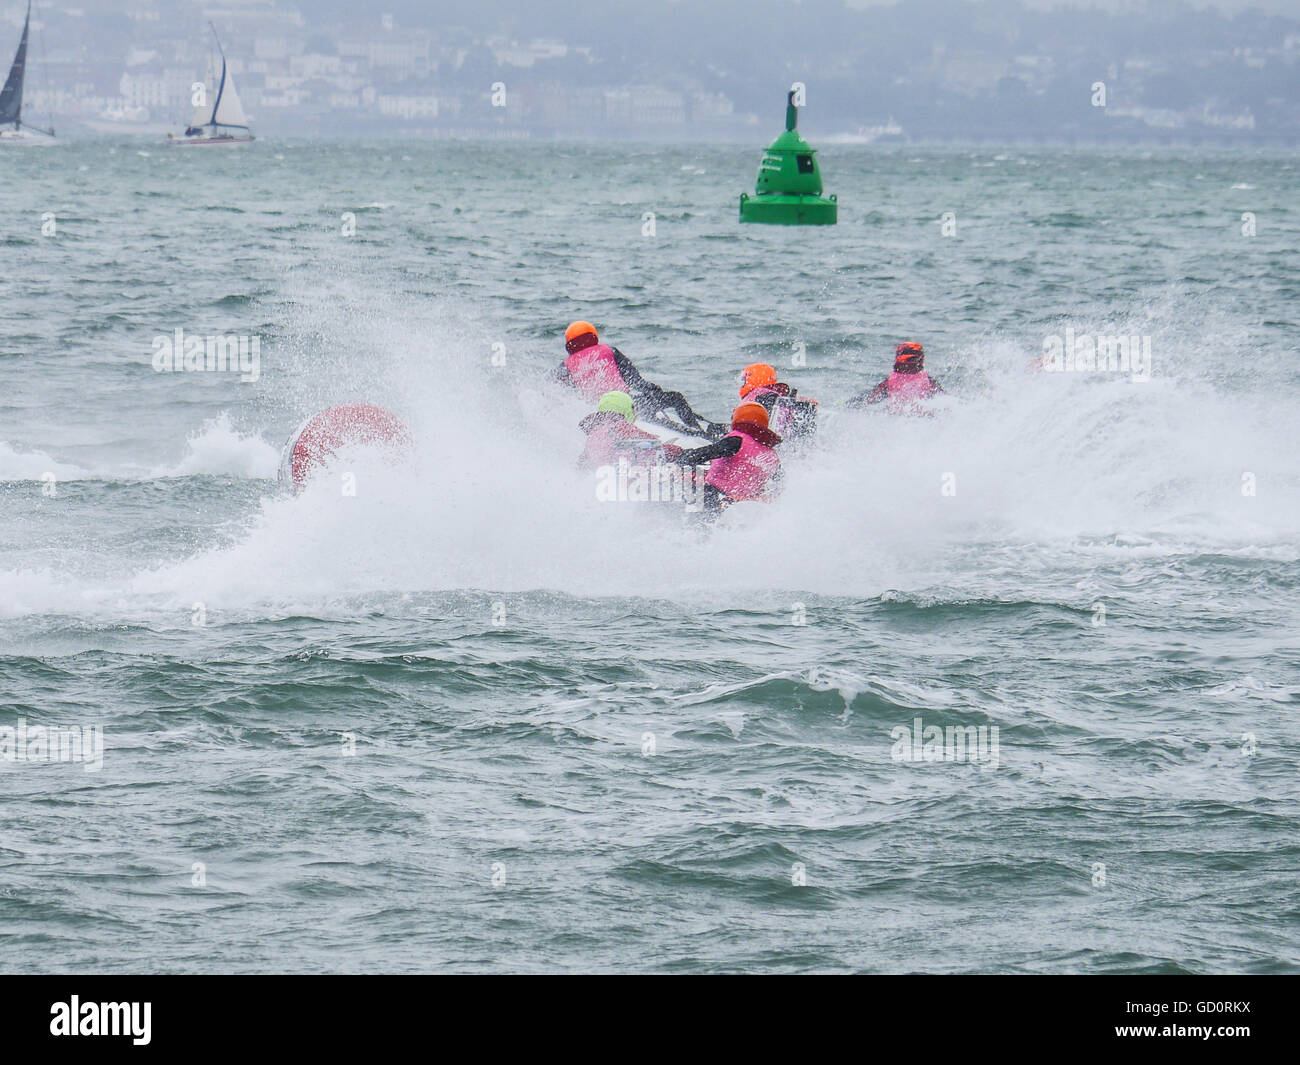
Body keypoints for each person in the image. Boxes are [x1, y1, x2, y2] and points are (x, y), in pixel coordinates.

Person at [557, 321, 724, 437]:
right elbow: (635, 381)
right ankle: (697, 432)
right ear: (593, 336)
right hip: (627, 404)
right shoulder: (609, 351)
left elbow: (560, 391)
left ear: (569, 345)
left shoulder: (565, 366)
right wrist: (653, 389)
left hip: (599, 410)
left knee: (650, 413)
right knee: (675, 398)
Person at [673, 401, 782, 514]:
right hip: (745, 506)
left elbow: (705, 454)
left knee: (676, 481)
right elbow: (780, 483)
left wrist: (681, 456)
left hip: (715, 497)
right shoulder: (772, 456)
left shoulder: (737, 441)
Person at [578, 391, 682, 470]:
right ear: (625, 409)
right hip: (623, 482)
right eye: (632, 408)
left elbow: (582, 465)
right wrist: (680, 452)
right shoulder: (620, 427)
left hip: (603, 479)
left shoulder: (594, 433)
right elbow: (655, 446)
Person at [849, 342, 943, 413]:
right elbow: (945, 401)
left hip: (897, 419)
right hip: (922, 421)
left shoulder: (890, 381)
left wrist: (848, 404)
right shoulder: (928, 381)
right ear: (921, 359)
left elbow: (869, 398)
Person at [738, 362, 818, 439]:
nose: (743, 383)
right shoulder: (780, 398)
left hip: (764, 443)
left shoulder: (758, 395)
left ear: (752, 378)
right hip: (788, 441)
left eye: (744, 380)